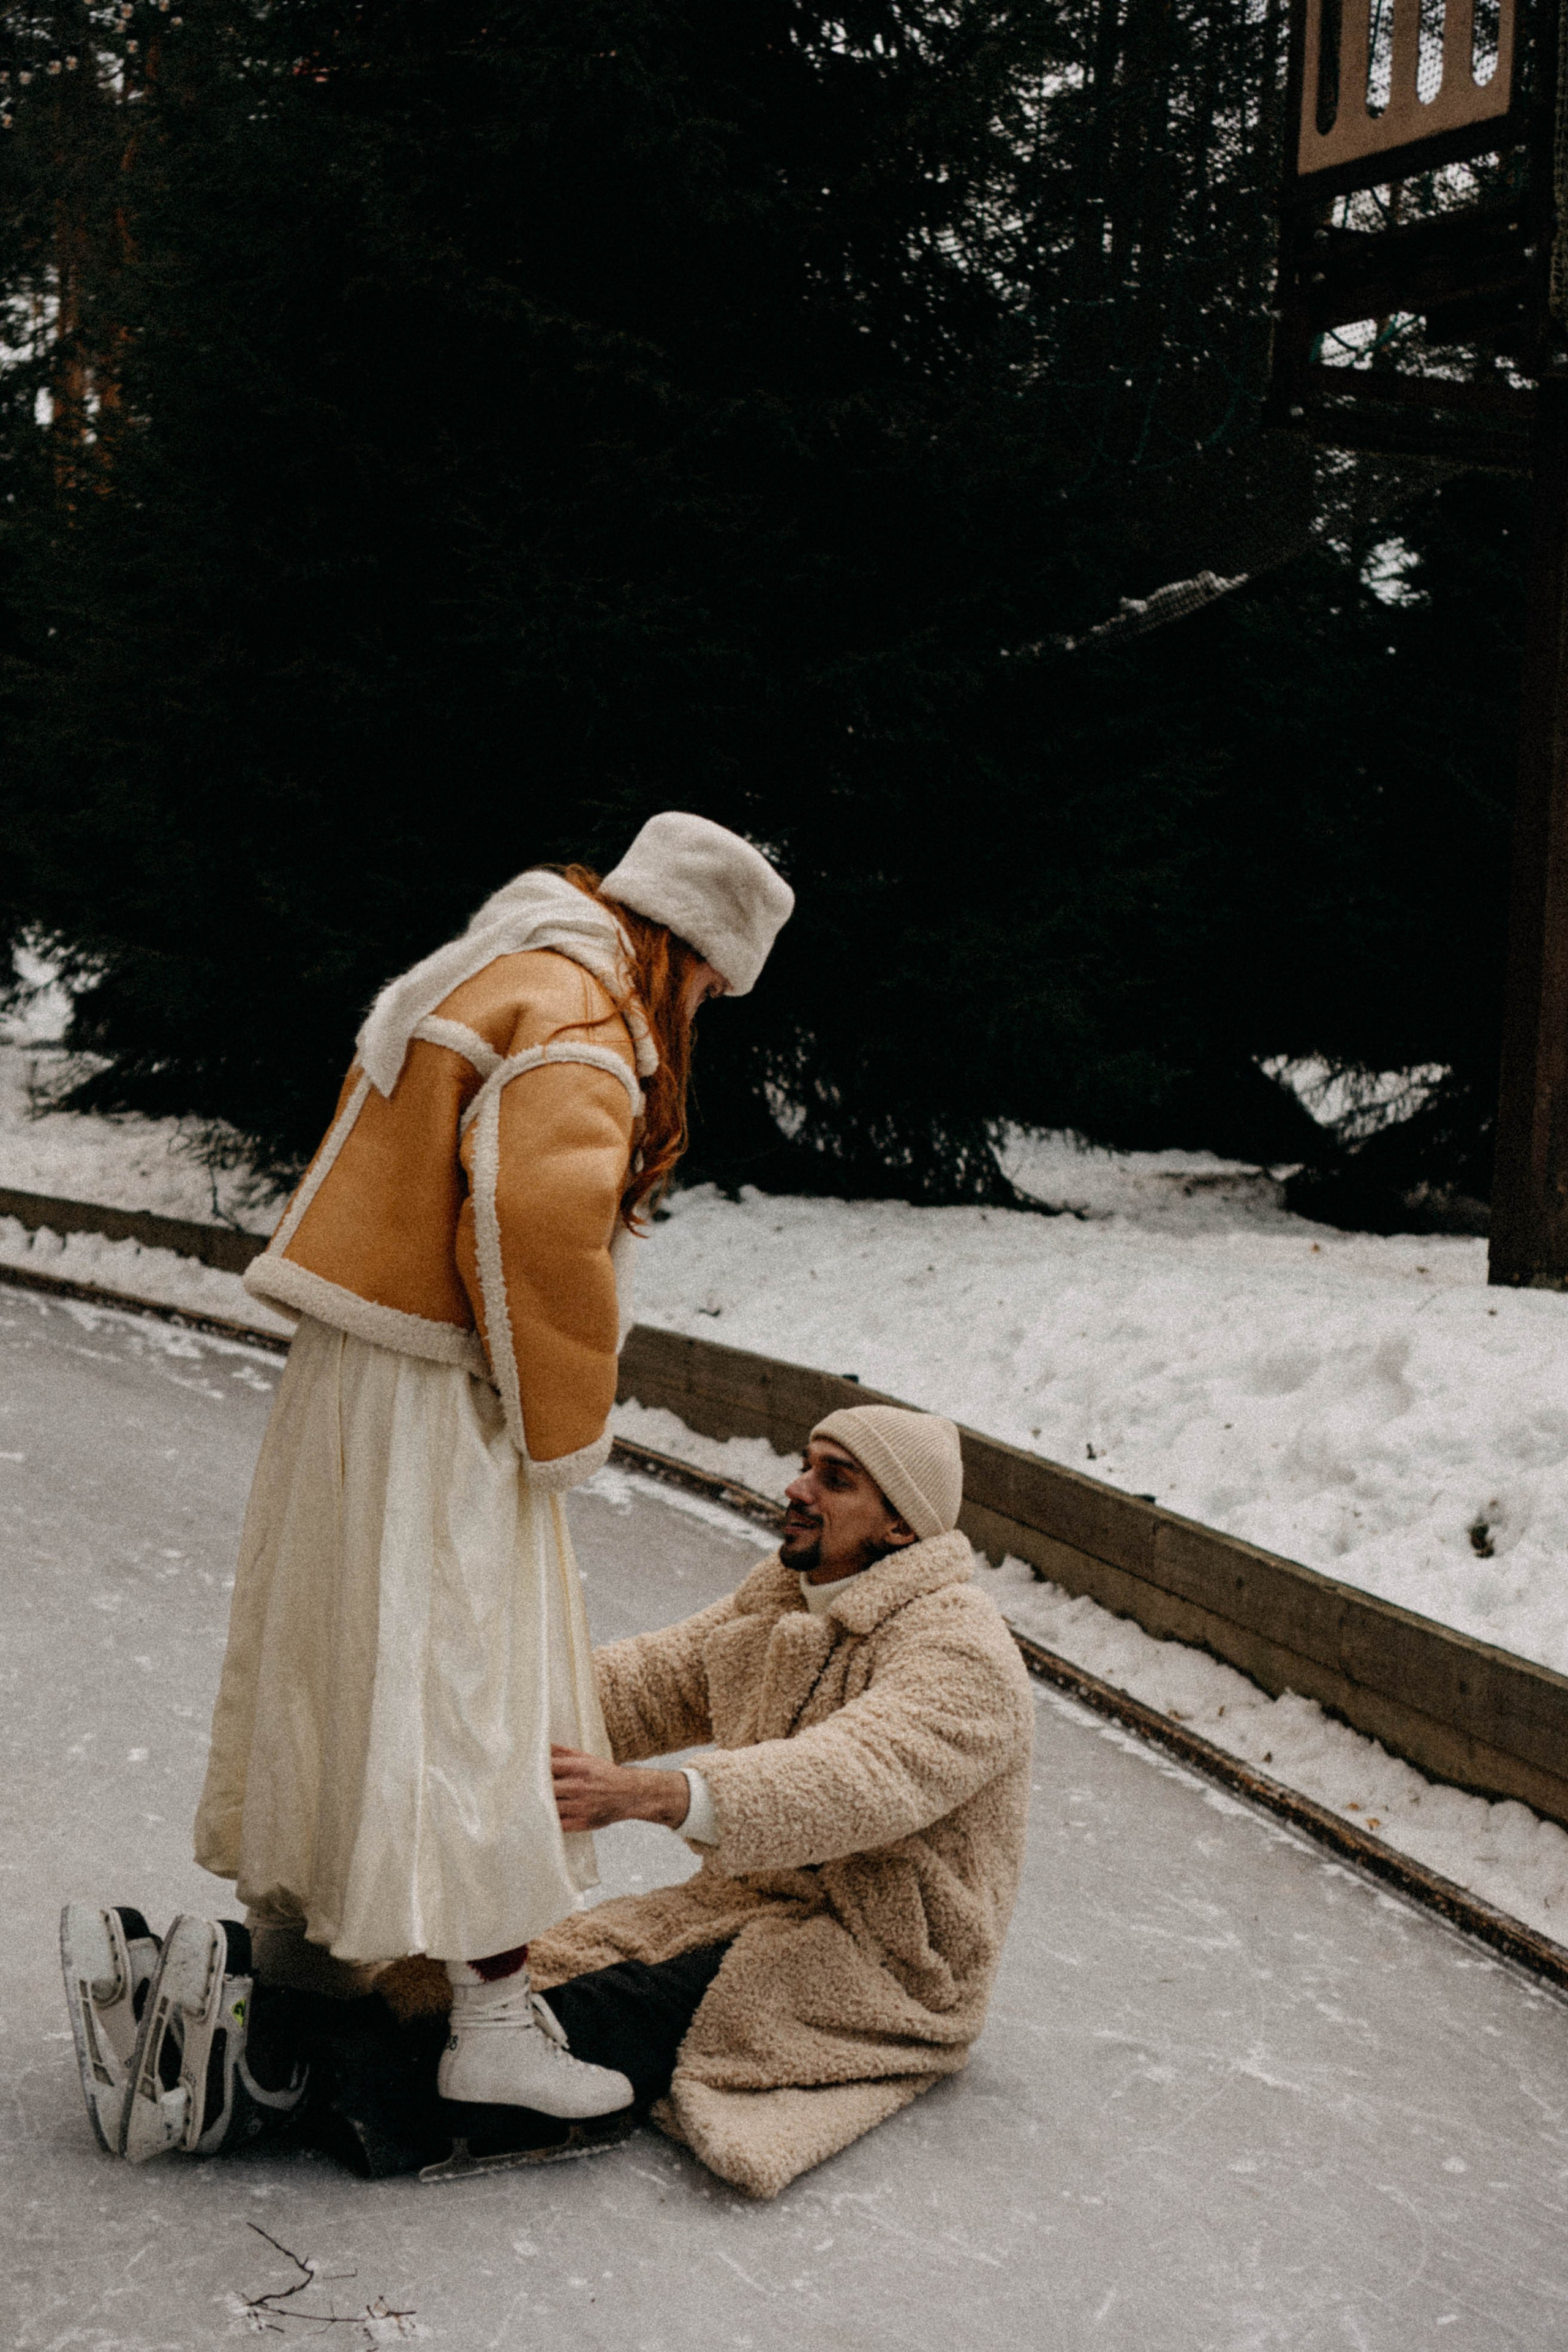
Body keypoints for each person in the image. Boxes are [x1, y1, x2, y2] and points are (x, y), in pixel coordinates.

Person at [61, 813, 794, 2163]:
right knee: (477, 1679)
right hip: (440, 1392)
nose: (700, 1014)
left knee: (338, 1655)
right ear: (685, 947)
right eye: (709, 988)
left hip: (353, 1378)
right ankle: (493, 2030)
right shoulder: (583, 1012)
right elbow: (536, 1225)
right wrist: (563, 1427)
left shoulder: (493, 963)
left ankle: (291, 1981)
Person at [64, 1405, 1035, 2201]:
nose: (795, 1487)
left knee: (591, 2013)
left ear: (902, 1524)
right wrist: (470, 1713)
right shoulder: (785, 1602)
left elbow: (860, 1774)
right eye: (805, 1464)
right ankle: (223, 2015)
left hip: (880, 1952)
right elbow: (647, 1682)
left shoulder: (962, 1651)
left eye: (835, 1478)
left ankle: (270, 2082)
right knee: (473, 1984)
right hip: (746, 1904)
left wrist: (656, 1794)